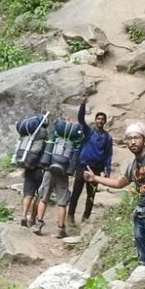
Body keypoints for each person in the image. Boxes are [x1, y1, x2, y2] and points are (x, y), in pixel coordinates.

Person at [85, 121, 145, 268]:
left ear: (144, 139)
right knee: (143, 261)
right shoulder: (133, 165)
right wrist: (95, 178)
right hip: (141, 214)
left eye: (137, 138)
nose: (133, 141)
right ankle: (144, 288)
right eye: (129, 138)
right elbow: (120, 183)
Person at [43, 98, 91, 238]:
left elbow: (51, 137)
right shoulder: (80, 135)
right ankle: (62, 227)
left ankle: (38, 222)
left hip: (52, 166)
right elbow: (80, 122)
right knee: (65, 200)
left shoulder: (61, 132)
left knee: (43, 197)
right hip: (67, 169)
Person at [66, 109, 112, 223]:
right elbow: (81, 119)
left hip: (96, 169)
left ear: (105, 121)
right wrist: (83, 104)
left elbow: (108, 155)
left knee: (91, 195)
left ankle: (85, 218)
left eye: (102, 119)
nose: (100, 121)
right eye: (98, 119)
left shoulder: (107, 137)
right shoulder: (88, 131)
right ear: (95, 120)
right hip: (83, 166)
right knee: (76, 191)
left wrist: (108, 169)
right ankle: (70, 215)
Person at [14, 109, 52, 230]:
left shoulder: (29, 134)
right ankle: (32, 219)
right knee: (39, 195)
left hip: (28, 166)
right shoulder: (45, 133)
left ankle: (23, 215)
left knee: (28, 193)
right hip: (40, 169)